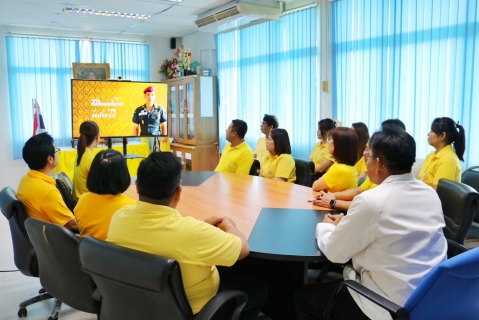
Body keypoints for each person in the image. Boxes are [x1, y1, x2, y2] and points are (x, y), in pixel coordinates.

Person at [295, 129, 447, 320]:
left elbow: (335, 253)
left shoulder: (372, 201)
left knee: (303, 298)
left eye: (367, 155)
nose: (365, 161)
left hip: (388, 306)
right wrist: (348, 224)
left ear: (378, 164)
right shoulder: (430, 194)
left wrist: (325, 227)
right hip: (429, 300)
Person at [107, 152, 267, 319]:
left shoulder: (119, 217)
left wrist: (200, 226)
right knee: (258, 288)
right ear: (179, 192)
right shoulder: (195, 233)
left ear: (138, 186)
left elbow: (171, 236)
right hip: (192, 311)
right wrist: (229, 225)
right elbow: (243, 249)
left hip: (136, 304)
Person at [16, 133, 78, 232]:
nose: (57, 153)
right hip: (56, 241)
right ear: (50, 159)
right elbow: (72, 224)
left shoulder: (26, 179)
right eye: (56, 151)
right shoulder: (47, 192)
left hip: (39, 238)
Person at [74, 150, 135, 240]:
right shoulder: (130, 207)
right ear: (123, 175)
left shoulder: (83, 200)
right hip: (114, 253)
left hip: (86, 252)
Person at [419, 117, 465, 190]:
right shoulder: (432, 155)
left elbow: (438, 194)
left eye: (432, 130)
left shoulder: (448, 160)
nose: (428, 134)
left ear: (443, 136)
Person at [312, 127, 358, 194]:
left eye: (330, 139)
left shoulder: (340, 169)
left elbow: (315, 186)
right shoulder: (346, 165)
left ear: (338, 145)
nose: (328, 142)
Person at [73, 121, 100, 201]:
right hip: (85, 201)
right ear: (97, 136)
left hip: (79, 200)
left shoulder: (80, 153)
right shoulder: (90, 158)